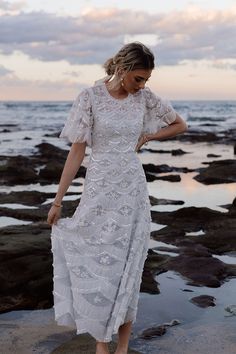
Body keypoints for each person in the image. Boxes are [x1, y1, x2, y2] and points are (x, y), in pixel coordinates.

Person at [47, 42, 187, 354]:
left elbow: (180, 124)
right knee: (102, 263)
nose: (143, 85)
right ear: (122, 70)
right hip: (99, 190)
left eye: (146, 80)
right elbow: (77, 150)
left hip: (132, 192)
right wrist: (58, 200)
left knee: (129, 265)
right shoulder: (90, 97)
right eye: (139, 78)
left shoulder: (145, 98)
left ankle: (121, 346)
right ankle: (101, 342)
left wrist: (149, 135)